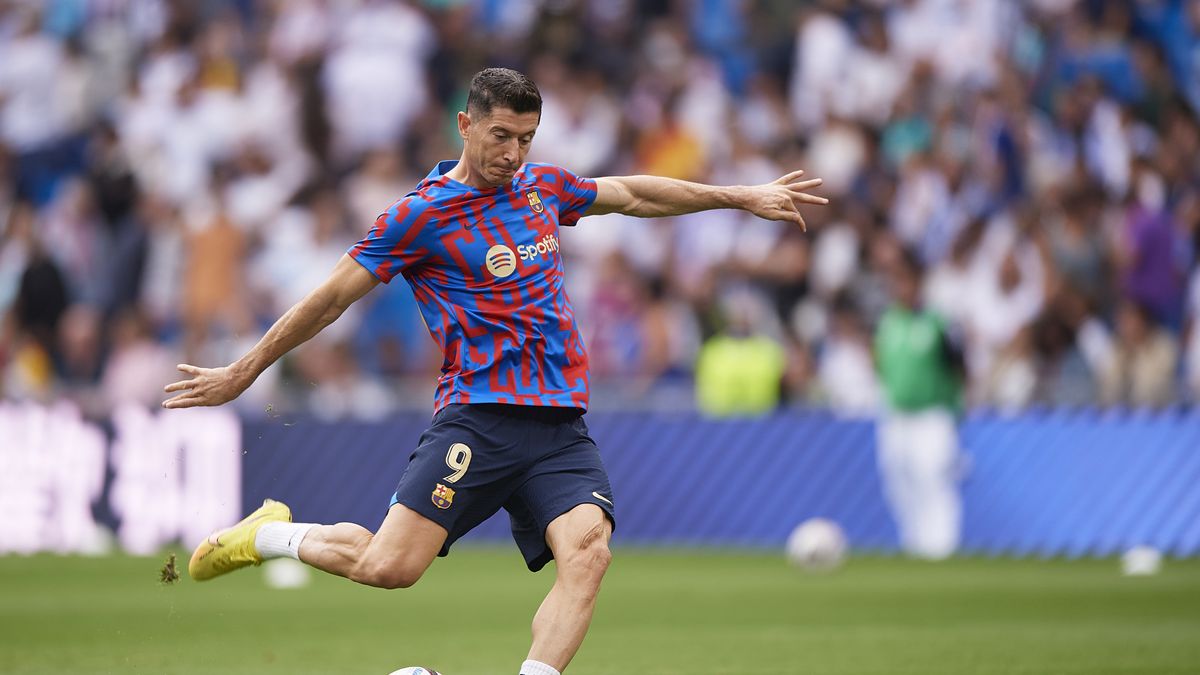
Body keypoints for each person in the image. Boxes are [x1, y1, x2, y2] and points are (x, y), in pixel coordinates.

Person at [162, 68, 827, 675]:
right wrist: (245, 368)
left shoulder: (541, 187)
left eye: (526, 138)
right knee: (389, 567)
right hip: (478, 419)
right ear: (466, 124)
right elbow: (331, 297)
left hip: (560, 426)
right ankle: (268, 534)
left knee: (588, 555)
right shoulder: (419, 216)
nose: (513, 154)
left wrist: (740, 195)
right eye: (501, 135)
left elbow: (628, 194)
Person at [874, 247, 965, 560]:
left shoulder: (938, 322)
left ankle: (941, 547)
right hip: (896, 415)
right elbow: (882, 368)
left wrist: (956, 406)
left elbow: (958, 366)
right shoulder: (888, 323)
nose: (903, 289)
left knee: (933, 479)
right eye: (897, 283)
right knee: (898, 482)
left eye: (907, 282)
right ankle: (914, 546)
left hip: (931, 414)